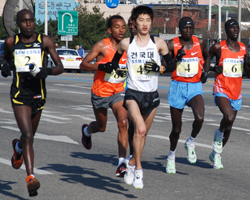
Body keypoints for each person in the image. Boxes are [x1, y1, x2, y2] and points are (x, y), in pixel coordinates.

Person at [1, 9, 64, 196]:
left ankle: (18, 148)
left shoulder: (45, 41)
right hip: (20, 95)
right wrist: (5, 67)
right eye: (24, 21)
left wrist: (47, 72)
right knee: (27, 133)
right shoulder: (11, 42)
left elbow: (60, 66)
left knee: (29, 138)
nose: (28, 24)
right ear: (18, 24)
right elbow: (5, 61)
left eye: (31, 21)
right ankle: (30, 178)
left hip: (39, 94)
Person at [111, 5, 175, 189]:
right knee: (139, 129)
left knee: (142, 134)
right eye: (141, 20)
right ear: (134, 22)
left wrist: (158, 68)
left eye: (148, 20)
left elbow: (171, 66)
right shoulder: (126, 44)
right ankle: (139, 169)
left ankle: (130, 163)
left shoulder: (159, 43)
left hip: (152, 95)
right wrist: (117, 69)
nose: (145, 24)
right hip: (133, 94)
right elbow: (115, 61)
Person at [79, 15, 129, 178]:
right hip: (100, 92)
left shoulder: (128, 46)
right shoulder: (102, 45)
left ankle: (122, 162)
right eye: (117, 27)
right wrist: (101, 66)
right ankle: (87, 131)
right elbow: (83, 64)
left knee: (123, 121)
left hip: (118, 91)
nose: (121, 30)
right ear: (110, 30)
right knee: (101, 127)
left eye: (123, 27)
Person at [165, 17, 210, 174]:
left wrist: (206, 71)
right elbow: (165, 65)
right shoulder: (172, 44)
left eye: (191, 28)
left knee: (200, 118)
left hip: (194, 86)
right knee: (177, 128)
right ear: (180, 30)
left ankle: (191, 141)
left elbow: (207, 56)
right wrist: (175, 59)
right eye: (185, 28)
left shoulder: (200, 42)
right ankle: (171, 156)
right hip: (177, 86)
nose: (188, 31)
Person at [208, 19, 250, 169]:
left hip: (236, 92)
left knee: (229, 126)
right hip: (221, 89)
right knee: (229, 117)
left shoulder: (243, 48)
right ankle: (219, 135)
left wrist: (248, 63)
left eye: (237, 27)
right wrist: (212, 69)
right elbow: (208, 58)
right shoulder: (219, 47)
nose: (236, 30)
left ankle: (216, 154)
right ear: (227, 30)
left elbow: (247, 73)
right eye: (232, 28)